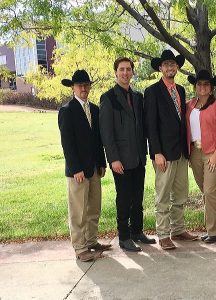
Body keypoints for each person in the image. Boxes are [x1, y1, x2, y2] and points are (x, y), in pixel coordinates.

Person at [99, 57, 155, 252]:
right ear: (116, 73)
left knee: (138, 197)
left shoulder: (138, 97)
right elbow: (106, 132)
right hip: (120, 159)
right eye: (121, 69)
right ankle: (124, 236)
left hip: (139, 157)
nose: (125, 73)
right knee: (124, 198)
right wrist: (113, 158)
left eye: (128, 69)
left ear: (132, 72)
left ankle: (137, 231)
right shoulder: (108, 98)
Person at [144, 49, 198, 250]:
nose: (170, 68)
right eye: (166, 65)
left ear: (177, 67)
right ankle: (164, 234)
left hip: (181, 152)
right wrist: (156, 151)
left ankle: (178, 229)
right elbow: (150, 124)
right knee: (163, 195)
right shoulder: (152, 92)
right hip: (164, 154)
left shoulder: (181, 90)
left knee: (181, 194)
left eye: (173, 65)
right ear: (160, 68)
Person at [58, 69, 110, 262]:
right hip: (77, 171)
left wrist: (102, 162)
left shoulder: (94, 109)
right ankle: (80, 248)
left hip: (94, 168)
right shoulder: (67, 110)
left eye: (86, 85)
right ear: (72, 87)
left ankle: (91, 241)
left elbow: (98, 140)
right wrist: (75, 168)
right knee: (78, 211)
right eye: (80, 85)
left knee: (94, 207)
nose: (84, 88)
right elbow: (67, 143)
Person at [185, 70, 216, 243]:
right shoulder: (190, 105)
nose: (202, 87)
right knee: (205, 191)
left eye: (206, 84)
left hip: (213, 151)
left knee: (211, 191)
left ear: (211, 87)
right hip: (194, 153)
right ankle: (210, 227)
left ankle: (215, 231)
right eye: (199, 84)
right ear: (196, 87)